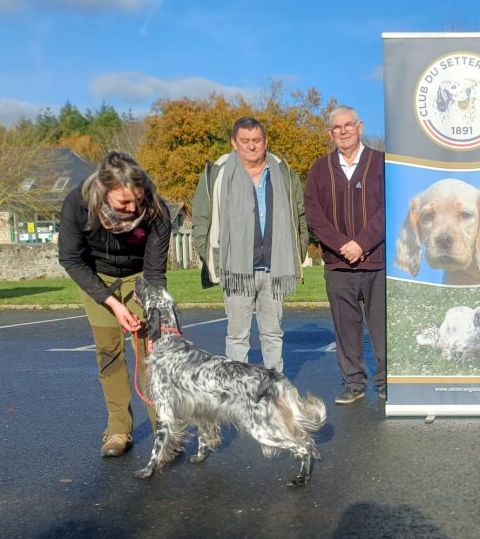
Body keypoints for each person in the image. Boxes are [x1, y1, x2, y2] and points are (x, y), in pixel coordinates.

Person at [58, 151, 171, 457]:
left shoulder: (156, 209)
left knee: (153, 355)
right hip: (97, 278)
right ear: (105, 192)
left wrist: (152, 313)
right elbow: (71, 259)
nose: (133, 208)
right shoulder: (78, 204)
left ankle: (164, 430)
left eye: (138, 200)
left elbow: (155, 272)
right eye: (124, 204)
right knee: (109, 354)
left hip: (141, 279)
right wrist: (113, 304)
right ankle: (118, 429)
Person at [192, 117, 308, 372]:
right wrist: (213, 256)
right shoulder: (218, 172)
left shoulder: (283, 171)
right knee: (237, 337)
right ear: (234, 143)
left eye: (257, 140)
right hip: (236, 272)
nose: (251, 146)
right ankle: (238, 394)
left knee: (273, 335)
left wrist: (298, 252)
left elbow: (299, 215)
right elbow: (200, 220)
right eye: (245, 141)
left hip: (275, 269)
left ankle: (274, 392)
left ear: (266, 141)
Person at [304, 105, 386, 404]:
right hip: (338, 265)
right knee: (345, 329)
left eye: (348, 125)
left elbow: (389, 207)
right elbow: (314, 214)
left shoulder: (380, 162)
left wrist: (362, 243)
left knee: (382, 328)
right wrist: (342, 245)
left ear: (360, 126)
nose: (343, 131)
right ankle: (353, 384)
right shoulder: (319, 169)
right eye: (337, 128)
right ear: (330, 133)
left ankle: (387, 383)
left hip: (376, 261)